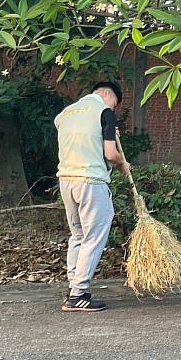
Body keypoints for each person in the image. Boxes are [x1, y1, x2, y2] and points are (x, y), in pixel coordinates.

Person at [54, 81, 130, 312]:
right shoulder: (104, 112)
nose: (114, 109)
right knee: (93, 237)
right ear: (107, 95)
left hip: (66, 180)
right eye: (114, 104)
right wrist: (123, 165)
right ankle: (79, 294)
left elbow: (82, 138)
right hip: (91, 182)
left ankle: (72, 288)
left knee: (77, 236)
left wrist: (106, 131)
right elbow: (110, 154)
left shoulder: (66, 114)